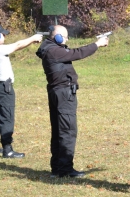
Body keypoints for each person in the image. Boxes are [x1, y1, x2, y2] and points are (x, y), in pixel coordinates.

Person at [36, 25, 108, 178]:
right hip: (64, 94)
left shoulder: (49, 48)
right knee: (67, 131)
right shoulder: (54, 50)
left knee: (58, 131)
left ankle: (57, 167)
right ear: (58, 37)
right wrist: (98, 44)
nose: (67, 40)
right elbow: (78, 53)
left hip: (57, 92)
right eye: (65, 37)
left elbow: (72, 52)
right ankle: (65, 169)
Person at [0, 24, 43, 158]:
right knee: (7, 118)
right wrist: (33, 38)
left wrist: (31, 40)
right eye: (3, 34)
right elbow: (17, 45)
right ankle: (7, 149)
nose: (4, 36)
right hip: (4, 89)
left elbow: (17, 46)